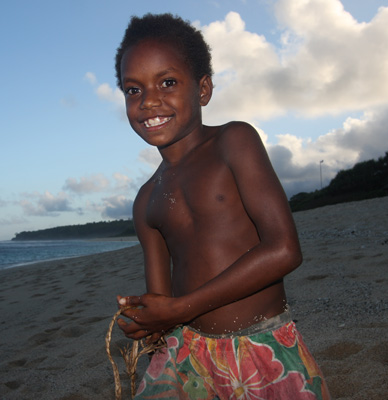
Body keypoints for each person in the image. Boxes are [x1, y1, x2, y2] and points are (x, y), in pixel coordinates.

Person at [115, 13, 330, 400]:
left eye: (167, 82)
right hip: (187, 355)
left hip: (261, 347)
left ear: (203, 89)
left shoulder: (234, 142)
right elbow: (164, 305)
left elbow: (284, 249)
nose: (149, 100)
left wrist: (180, 308)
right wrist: (149, 320)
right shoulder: (145, 200)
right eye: (133, 90)